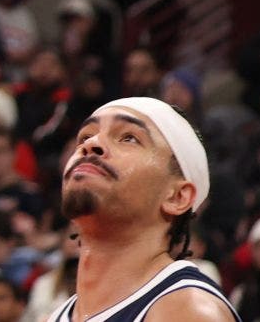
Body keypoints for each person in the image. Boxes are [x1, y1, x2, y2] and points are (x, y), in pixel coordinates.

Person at [46, 98, 232, 322]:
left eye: (129, 138)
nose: (91, 144)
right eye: (85, 136)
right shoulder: (53, 318)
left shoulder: (188, 311)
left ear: (177, 196)